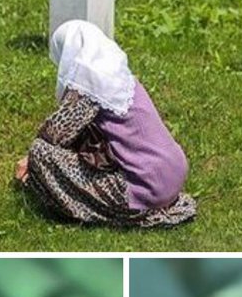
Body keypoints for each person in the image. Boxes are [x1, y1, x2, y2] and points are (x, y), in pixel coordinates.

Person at [15, 20, 196, 228]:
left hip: (148, 185)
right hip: (172, 175)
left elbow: (54, 135)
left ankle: (85, 209)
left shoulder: (88, 85)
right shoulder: (122, 79)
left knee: (40, 152)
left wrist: (30, 162)